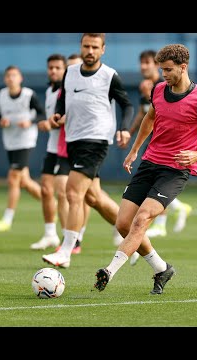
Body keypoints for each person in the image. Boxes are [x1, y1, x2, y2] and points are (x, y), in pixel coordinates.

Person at [93, 44, 197, 295]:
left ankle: (110, 271)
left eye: (168, 70)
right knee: (123, 223)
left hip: (175, 171)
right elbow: (150, 119)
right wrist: (135, 150)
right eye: (161, 69)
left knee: (142, 219)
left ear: (183, 67)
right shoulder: (158, 90)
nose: (163, 74)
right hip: (149, 163)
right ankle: (161, 268)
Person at [42, 33, 134, 269]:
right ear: (81, 47)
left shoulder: (109, 75)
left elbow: (127, 104)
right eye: (86, 46)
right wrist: (58, 114)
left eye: (95, 46)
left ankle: (66, 250)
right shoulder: (70, 73)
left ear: (103, 49)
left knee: (73, 193)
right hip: (73, 140)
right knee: (94, 198)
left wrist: (124, 128)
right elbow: (64, 98)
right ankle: (135, 238)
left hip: (96, 140)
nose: (90, 50)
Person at [129, 50, 193, 247]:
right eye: (143, 63)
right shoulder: (148, 89)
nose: (144, 67)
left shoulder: (166, 84)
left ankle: (162, 223)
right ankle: (179, 209)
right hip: (152, 139)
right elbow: (145, 115)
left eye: (147, 63)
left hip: (166, 141)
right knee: (152, 184)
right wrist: (130, 135)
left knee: (158, 181)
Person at [30, 54, 83, 252]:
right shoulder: (50, 91)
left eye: (58, 68)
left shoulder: (68, 90)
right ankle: (50, 234)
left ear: (65, 70)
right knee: (45, 190)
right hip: (52, 148)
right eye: (50, 67)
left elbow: (68, 117)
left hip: (68, 148)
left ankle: (71, 238)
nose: (54, 71)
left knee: (66, 193)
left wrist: (48, 123)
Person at [0, 65, 46, 232]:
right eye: (8, 76)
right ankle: (52, 204)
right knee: (24, 181)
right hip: (10, 141)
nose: (11, 78)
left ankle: (7, 219)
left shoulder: (28, 95)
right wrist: (2, 122)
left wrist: (30, 122)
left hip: (26, 140)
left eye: (14, 75)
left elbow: (42, 115)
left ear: (20, 78)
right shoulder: (1, 95)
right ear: (4, 79)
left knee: (13, 177)